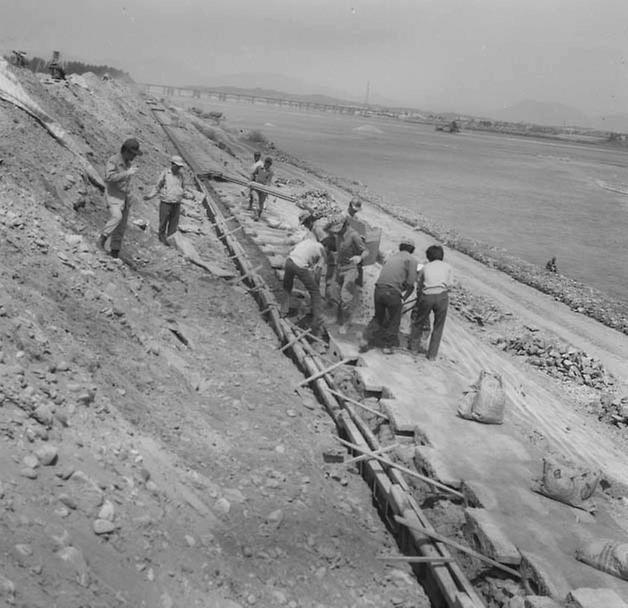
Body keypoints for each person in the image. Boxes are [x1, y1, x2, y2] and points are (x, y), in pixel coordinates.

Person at [362, 239, 418, 354]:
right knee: (394, 319)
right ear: (412, 250)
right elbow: (411, 282)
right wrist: (403, 296)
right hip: (392, 292)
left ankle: (365, 338)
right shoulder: (411, 260)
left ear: (400, 247)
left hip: (378, 289)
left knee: (378, 316)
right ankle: (387, 346)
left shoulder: (392, 257)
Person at [98, 138, 142, 258]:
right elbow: (109, 177)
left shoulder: (128, 164)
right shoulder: (114, 160)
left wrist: (130, 197)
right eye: (133, 154)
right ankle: (102, 239)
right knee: (117, 217)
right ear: (126, 151)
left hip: (124, 198)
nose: (134, 157)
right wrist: (126, 173)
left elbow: (128, 184)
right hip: (113, 196)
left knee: (121, 227)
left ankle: (115, 252)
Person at [408, 244, 453, 360]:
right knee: (438, 326)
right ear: (441, 256)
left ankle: (413, 349)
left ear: (429, 257)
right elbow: (450, 285)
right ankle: (432, 355)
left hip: (427, 296)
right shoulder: (448, 267)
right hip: (442, 297)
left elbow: (420, 282)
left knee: (419, 322)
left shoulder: (425, 267)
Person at [328, 215, 368, 334]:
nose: (337, 231)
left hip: (350, 269)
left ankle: (347, 323)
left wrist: (359, 257)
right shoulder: (338, 234)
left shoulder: (354, 235)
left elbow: (366, 251)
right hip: (340, 267)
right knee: (335, 294)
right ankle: (339, 319)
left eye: (339, 229)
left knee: (346, 296)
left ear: (345, 225)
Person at [282, 239, 327, 336]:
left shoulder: (308, 241)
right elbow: (318, 272)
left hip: (289, 261)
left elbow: (292, 249)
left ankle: (283, 311)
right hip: (299, 265)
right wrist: (316, 287)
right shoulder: (323, 251)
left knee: (287, 287)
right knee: (315, 292)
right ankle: (317, 319)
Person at [144, 155, 186, 245]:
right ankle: (161, 237)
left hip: (176, 203)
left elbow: (182, 187)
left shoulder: (181, 176)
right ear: (172, 164)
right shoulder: (166, 173)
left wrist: (181, 195)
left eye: (180, 166)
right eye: (177, 166)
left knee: (173, 223)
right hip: (166, 202)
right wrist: (150, 196)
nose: (178, 168)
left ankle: (170, 239)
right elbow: (158, 186)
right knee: (163, 221)